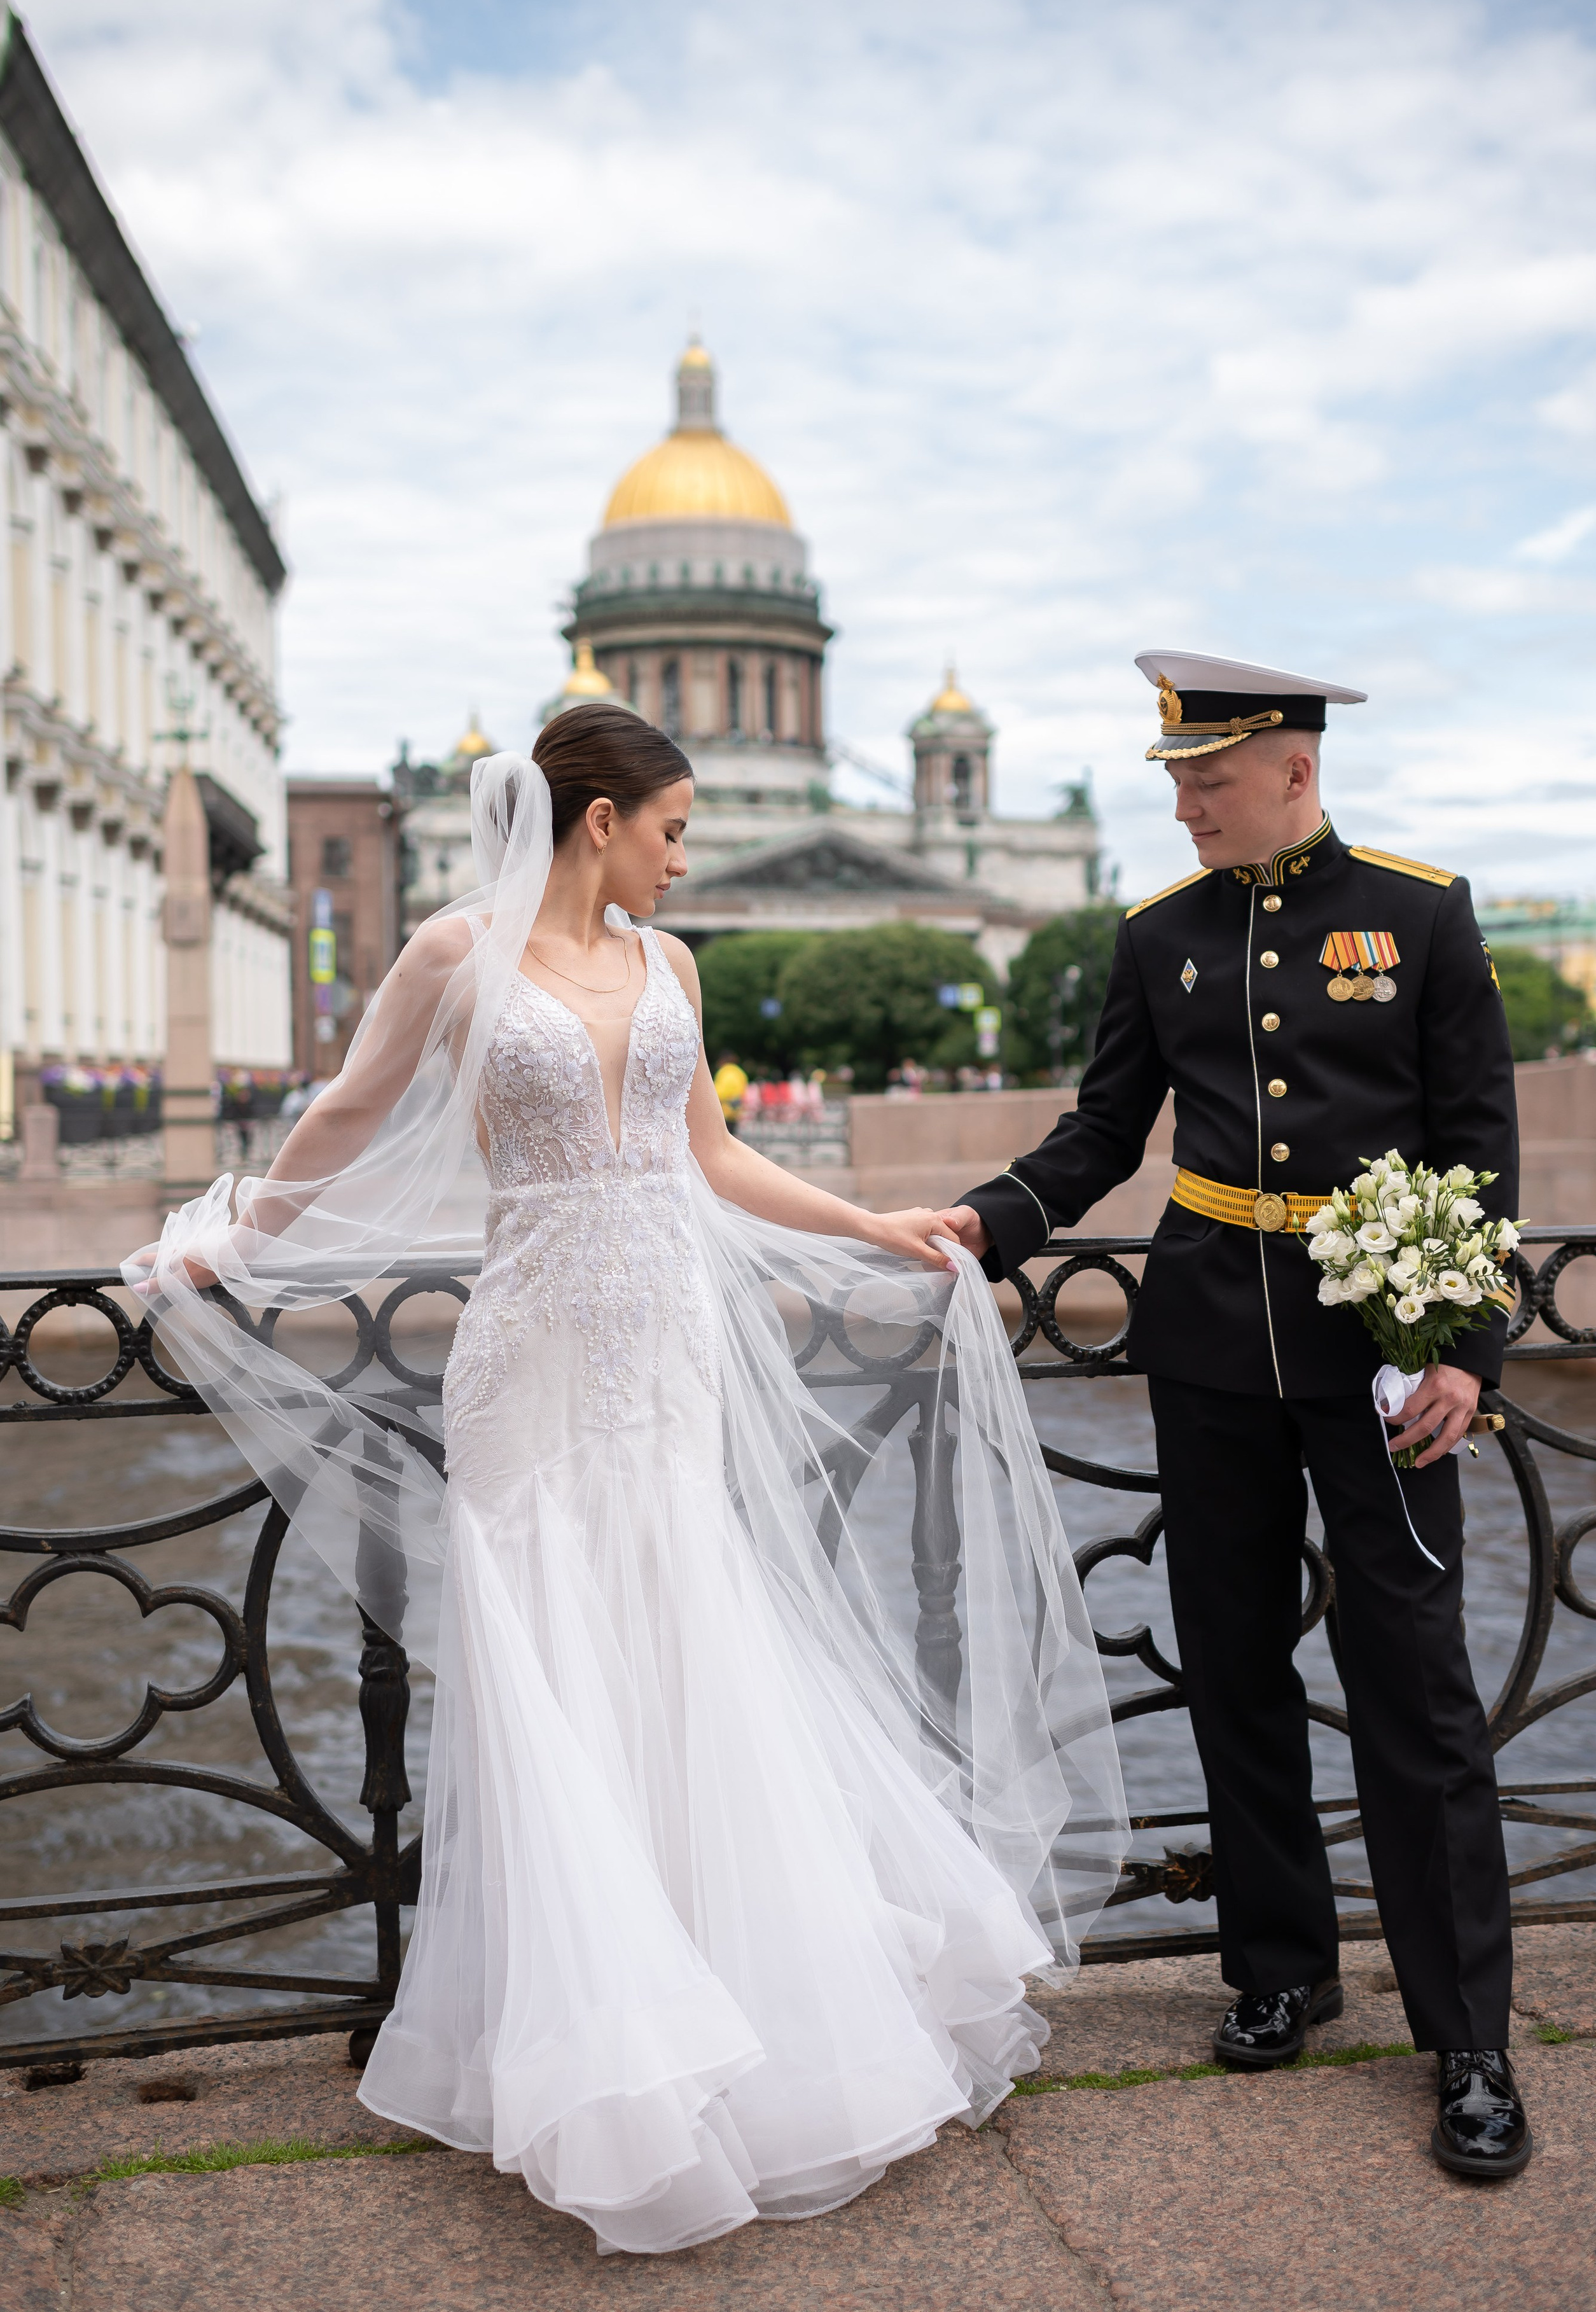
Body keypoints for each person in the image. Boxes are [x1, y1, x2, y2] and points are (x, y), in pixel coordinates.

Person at [127, 704, 1127, 2256]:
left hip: (663, 1348)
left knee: (684, 1657)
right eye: (670, 829)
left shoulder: (674, 966)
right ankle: (600, 2051)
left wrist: (873, 1226)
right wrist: (234, 1236)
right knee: (557, 1682)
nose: (684, 857)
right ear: (595, 821)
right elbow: (349, 1107)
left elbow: (711, 1159)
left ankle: (726, 2006)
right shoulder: (457, 952)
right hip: (529, 1356)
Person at [943, 650, 1530, 2182]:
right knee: (1230, 1663)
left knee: (1410, 1681)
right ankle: (1278, 1962)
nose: (1186, 800)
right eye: (1175, 776)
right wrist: (984, 1220)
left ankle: (1466, 2037)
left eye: (1207, 773)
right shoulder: (1158, 935)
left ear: (1291, 763)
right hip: (1209, 1337)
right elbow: (1098, 1131)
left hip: (1380, 1358)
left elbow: (1474, 1141)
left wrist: (1463, 1345)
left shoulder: (1417, 911)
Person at [711, 1052, 748, 1133]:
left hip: (724, 1108)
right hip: (737, 1107)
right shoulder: (740, 1072)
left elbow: (720, 1090)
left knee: (723, 1133)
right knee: (733, 1132)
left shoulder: (724, 1071)